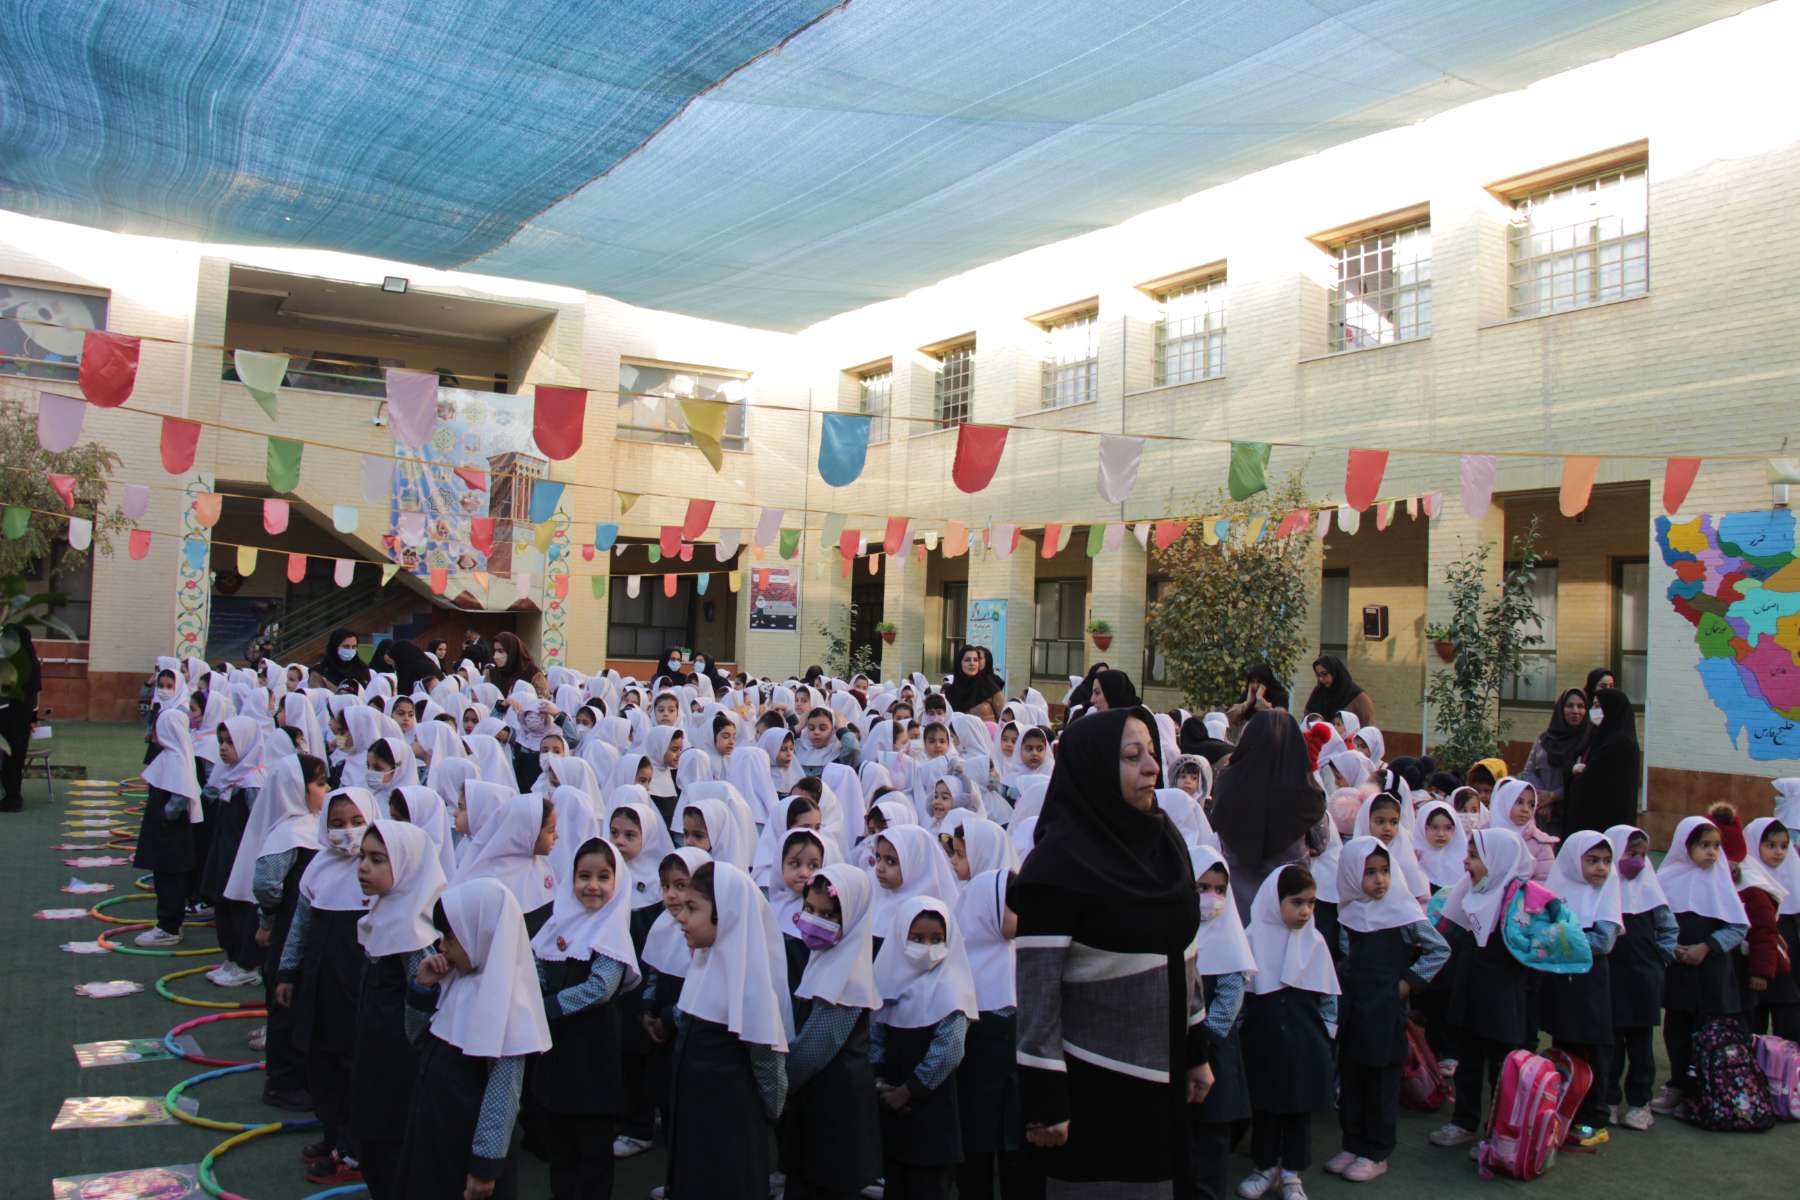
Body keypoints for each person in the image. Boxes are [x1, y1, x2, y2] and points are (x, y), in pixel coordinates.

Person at [1011, 706, 1210, 1194]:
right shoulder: (1058, 865)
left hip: (1164, 1072)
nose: (1152, 768)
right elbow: (1038, 995)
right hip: (1091, 1083)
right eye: (1131, 756)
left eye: (1152, 753)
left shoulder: (1164, 842)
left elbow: (1186, 951)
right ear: (1095, 768)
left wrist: (1196, 1051)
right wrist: (1046, 1099)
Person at [399, 878, 552, 1200]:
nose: (442, 947)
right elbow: (418, 1039)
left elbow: (502, 1095)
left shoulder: (508, 1004)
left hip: (465, 1150)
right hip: (432, 1133)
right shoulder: (456, 982)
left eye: (450, 937)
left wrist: (484, 1167)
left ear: (480, 934)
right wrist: (422, 988)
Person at [666, 862, 792, 1198]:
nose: (681, 917)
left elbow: (768, 1066)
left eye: (693, 908)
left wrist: (765, 1113)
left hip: (732, 1127)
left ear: (728, 915)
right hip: (696, 1120)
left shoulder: (750, 987)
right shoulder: (703, 966)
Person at [529, 837, 640, 1200]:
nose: (592, 885)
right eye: (584, 876)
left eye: (603, 877)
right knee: (560, 1146)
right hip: (557, 1051)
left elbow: (600, 988)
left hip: (593, 1055)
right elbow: (538, 963)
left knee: (592, 1150)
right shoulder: (558, 923)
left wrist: (547, 1007)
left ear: (617, 882)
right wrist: (534, 991)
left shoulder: (612, 930)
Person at [278, 787, 378, 1187]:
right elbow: (301, 926)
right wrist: (287, 972)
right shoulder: (318, 867)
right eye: (336, 824)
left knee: (355, 1066)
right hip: (320, 982)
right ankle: (333, 1134)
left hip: (359, 983)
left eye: (356, 822)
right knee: (321, 1062)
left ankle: (354, 1149)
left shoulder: (378, 871)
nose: (346, 831)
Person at [352, 820, 447, 1199]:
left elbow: (423, 1003)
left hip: (399, 1060)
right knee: (373, 1140)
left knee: (393, 1143)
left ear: (408, 866)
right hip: (375, 1049)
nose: (363, 867)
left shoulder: (413, 930)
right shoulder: (385, 912)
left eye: (377, 860)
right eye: (362, 857)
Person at [784, 863, 883, 1200]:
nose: (813, 921)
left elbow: (813, 1050)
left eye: (827, 916)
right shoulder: (826, 959)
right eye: (809, 910)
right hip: (819, 1100)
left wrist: (778, 1083)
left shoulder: (847, 979)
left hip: (835, 1107)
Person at [1240, 865, 1338, 1200]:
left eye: (1311, 903)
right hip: (1263, 1041)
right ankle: (1264, 1167)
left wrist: (1327, 1036)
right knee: (1266, 1108)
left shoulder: (1315, 942)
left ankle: (1292, 1174)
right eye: (1297, 902)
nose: (1305, 911)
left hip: (1305, 1043)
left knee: (1298, 1109)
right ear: (1274, 900)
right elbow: (1242, 996)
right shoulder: (1251, 939)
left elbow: (1328, 998)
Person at [1429, 828, 1531, 1148]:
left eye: (1475, 856)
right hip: (1470, 988)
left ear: (1498, 861)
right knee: (1468, 1059)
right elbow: (1449, 933)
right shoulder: (1470, 891)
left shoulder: (1519, 902)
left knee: (1501, 1066)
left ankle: (1500, 1133)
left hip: (1502, 996)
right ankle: (1464, 1121)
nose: (1466, 862)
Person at [871, 897, 977, 1199]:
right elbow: (876, 1036)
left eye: (937, 939)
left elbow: (949, 1049)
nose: (927, 948)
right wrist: (879, 1084)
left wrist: (907, 1091)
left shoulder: (951, 988)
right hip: (892, 1113)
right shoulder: (887, 982)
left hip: (932, 1117)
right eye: (917, 939)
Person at [1651, 814, 1748, 1118]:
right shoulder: (1666, 878)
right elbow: (1654, 921)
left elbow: (1737, 927)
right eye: (1704, 845)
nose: (1712, 852)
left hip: (1712, 973)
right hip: (1679, 971)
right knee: (1677, 1030)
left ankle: (1703, 1093)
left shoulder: (1720, 880)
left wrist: (1706, 947)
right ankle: (1678, 1086)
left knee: (1707, 1033)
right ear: (1685, 845)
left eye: (1716, 846)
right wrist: (1672, 948)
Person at [253, 754, 327, 1110]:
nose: (326, 790)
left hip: (308, 928)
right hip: (289, 928)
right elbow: (266, 883)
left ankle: (302, 1074)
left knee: (302, 1001)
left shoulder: (315, 825)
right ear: (296, 788)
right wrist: (273, 915)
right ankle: (282, 1082)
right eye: (319, 784)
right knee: (285, 1001)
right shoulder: (288, 833)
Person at [1541, 831, 1623, 1145]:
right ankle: (1567, 1111)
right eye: (1592, 860)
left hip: (1591, 983)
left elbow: (1603, 942)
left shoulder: (1606, 893)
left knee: (1594, 1046)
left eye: (1606, 861)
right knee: (1565, 1043)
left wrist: (1558, 939)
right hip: (1563, 980)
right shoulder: (1558, 890)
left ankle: (1594, 1118)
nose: (1601, 868)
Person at [1210, 710, 1326, 920]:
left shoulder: (1227, 782)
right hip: (1290, 906)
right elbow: (1320, 842)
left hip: (1238, 905)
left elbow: (1216, 825)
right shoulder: (1307, 791)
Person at [1188, 846, 1256, 1200]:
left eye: (1219, 890)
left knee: (1211, 1139)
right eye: (1201, 888)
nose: (1211, 898)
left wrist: (1199, 1043)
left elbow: (1227, 1003)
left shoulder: (1230, 940)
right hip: (1179, 1054)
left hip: (1214, 1052)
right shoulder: (1173, 932)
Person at [953, 867, 1023, 1200]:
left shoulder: (1022, 958)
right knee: (975, 1173)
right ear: (988, 908)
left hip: (1017, 1099)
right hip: (975, 1095)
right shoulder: (961, 968)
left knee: (1018, 1173)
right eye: (1014, 906)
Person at [1602, 823, 1678, 1130]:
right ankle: (1607, 1100)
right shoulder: (1603, 890)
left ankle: (1639, 1103)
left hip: (1644, 978)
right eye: (1630, 853)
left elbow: (1668, 929)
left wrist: (1661, 960)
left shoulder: (1652, 893)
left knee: (1641, 1045)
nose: (1637, 861)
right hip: (1611, 977)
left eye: (1642, 855)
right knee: (1611, 1045)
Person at [134, 706, 203, 946]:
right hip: (166, 831)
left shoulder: (176, 759)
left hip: (171, 833)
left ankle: (169, 927)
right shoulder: (172, 755)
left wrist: (165, 816)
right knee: (163, 876)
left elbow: (180, 796)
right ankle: (168, 922)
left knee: (170, 878)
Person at [1561, 688, 1641, 837]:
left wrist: (1578, 773)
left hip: (1605, 824)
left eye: (1598, 705)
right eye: (1593, 705)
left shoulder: (1620, 743)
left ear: (1612, 709)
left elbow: (1593, 782)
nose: (1593, 711)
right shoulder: (1602, 737)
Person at [1518, 688, 1588, 837]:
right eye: (1569, 706)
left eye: (1581, 706)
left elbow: (1585, 779)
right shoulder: (1544, 739)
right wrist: (1541, 799)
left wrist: (1553, 796)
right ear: (1560, 709)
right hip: (1542, 815)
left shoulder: (1589, 742)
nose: (1575, 711)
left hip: (1573, 814)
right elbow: (1529, 771)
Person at [0, 621, 40, 811]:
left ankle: (11, 797)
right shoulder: (30, 661)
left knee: (10, 754)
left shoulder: (11, 658)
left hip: (9, 711)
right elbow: (35, 689)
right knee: (15, 755)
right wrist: (33, 716)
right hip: (22, 712)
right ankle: (12, 795)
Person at [1301, 655, 1373, 731]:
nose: (1321, 679)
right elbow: (1307, 721)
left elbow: (1368, 730)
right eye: (1318, 675)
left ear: (1335, 672)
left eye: (1324, 674)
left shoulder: (1358, 697)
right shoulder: (1318, 693)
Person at [1224, 664, 1290, 743]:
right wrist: (1247, 703)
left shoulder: (1279, 695)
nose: (1255, 686)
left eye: (1259, 682)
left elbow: (1279, 720)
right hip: (1247, 741)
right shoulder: (1248, 695)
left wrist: (1260, 699)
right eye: (1253, 682)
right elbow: (1229, 719)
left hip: (1271, 741)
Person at [944, 644, 1005, 721]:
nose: (972, 663)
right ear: (959, 663)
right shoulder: (950, 692)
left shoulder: (989, 687)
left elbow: (1003, 720)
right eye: (967, 660)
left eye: (976, 660)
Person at [487, 631, 547, 699]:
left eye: (500, 651)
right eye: (494, 651)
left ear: (512, 651)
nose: (495, 656)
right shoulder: (492, 673)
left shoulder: (533, 673)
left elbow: (543, 701)